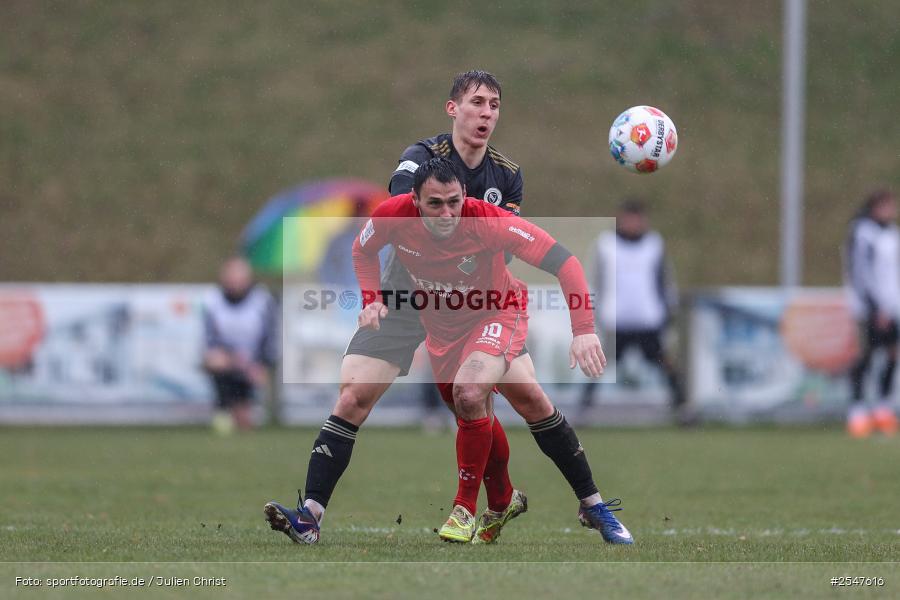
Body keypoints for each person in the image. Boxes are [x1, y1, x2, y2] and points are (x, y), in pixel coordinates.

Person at [265, 158, 633, 546]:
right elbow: (362, 249)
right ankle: (505, 499)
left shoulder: (488, 221)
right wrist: (372, 299)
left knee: (471, 392)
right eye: (435, 204)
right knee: (502, 406)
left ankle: (475, 510)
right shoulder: (393, 215)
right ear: (415, 200)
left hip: (497, 313)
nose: (446, 214)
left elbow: (565, 262)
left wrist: (584, 330)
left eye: (454, 202)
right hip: (442, 329)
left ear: (465, 196)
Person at [580, 199, 685, 418]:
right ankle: (584, 409)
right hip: (615, 320)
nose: (633, 224)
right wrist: (592, 311)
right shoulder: (606, 245)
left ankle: (682, 408)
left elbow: (665, 280)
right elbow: (595, 280)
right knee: (599, 365)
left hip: (648, 319)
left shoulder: (654, 244)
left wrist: (670, 309)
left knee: (665, 363)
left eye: (637, 219)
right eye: (629, 219)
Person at [844, 188, 900, 437]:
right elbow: (861, 272)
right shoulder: (862, 231)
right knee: (865, 355)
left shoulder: (892, 233)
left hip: (891, 306)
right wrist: (875, 307)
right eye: (887, 206)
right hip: (868, 308)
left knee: (892, 355)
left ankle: (882, 408)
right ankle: (857, 411)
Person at [202, 257, 278, 432]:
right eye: (232, 276)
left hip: (253, 363)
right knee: (215, 360)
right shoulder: (212, 301)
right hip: (228, 360)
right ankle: (223, 407)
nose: (235, 282)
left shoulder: (262, 300)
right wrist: (232, 357)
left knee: (246, 422)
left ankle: (249, 406)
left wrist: (262, 363)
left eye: (240, 277)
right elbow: (210, 339)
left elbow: (270, 337)